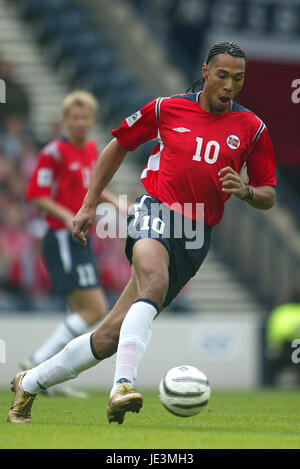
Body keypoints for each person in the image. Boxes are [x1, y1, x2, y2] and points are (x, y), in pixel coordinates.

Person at [8, 41, 276, 423]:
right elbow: (118, 145)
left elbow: (268, 192)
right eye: (222, 76)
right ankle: (122, 387)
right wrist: (88, 204)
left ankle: (30, 381)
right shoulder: (167, 108)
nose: (230, 85)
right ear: (205, 71)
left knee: (107, 337)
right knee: (152, 281)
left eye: (239, 78)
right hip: (154, 208)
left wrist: (247, 191)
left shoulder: (252, 128)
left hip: (196, 234)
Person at [18, 90, 123, 397]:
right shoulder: (54, 152)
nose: (79, 122)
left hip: (79, 237)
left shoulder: (91, 149)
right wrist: (67, 216)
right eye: (74, 117)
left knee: (81, 310)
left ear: (92, 120)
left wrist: (118, 204)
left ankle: (51, 377)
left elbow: (92, 189)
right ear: (64, 120)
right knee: (95, 308)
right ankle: (37, 363)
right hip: (64, 237)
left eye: (85, 117)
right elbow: (36, 195)